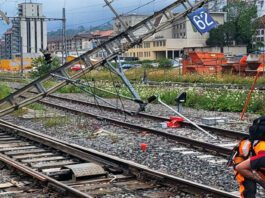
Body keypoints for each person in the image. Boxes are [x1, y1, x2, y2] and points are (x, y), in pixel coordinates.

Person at [229, 116, 265, 197]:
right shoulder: (263, 157)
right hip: (242, 162)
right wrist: (259, 180)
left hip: (258, 162)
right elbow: (240, 167)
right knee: (249, 191)